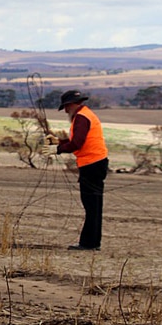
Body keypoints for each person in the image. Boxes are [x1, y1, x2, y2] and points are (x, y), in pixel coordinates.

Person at [41, 90, 109, 250]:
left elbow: (76, 144)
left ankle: (88, 244)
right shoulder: (85, 115)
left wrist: (56, 150)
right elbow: (74, 140)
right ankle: (92, 242)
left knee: (91, 205)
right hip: (96, 163)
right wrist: (56, 141)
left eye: (65, 107)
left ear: (70, 105)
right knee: (94, 205)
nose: (65, 111)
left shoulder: (81, 118)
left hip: (91, 164)